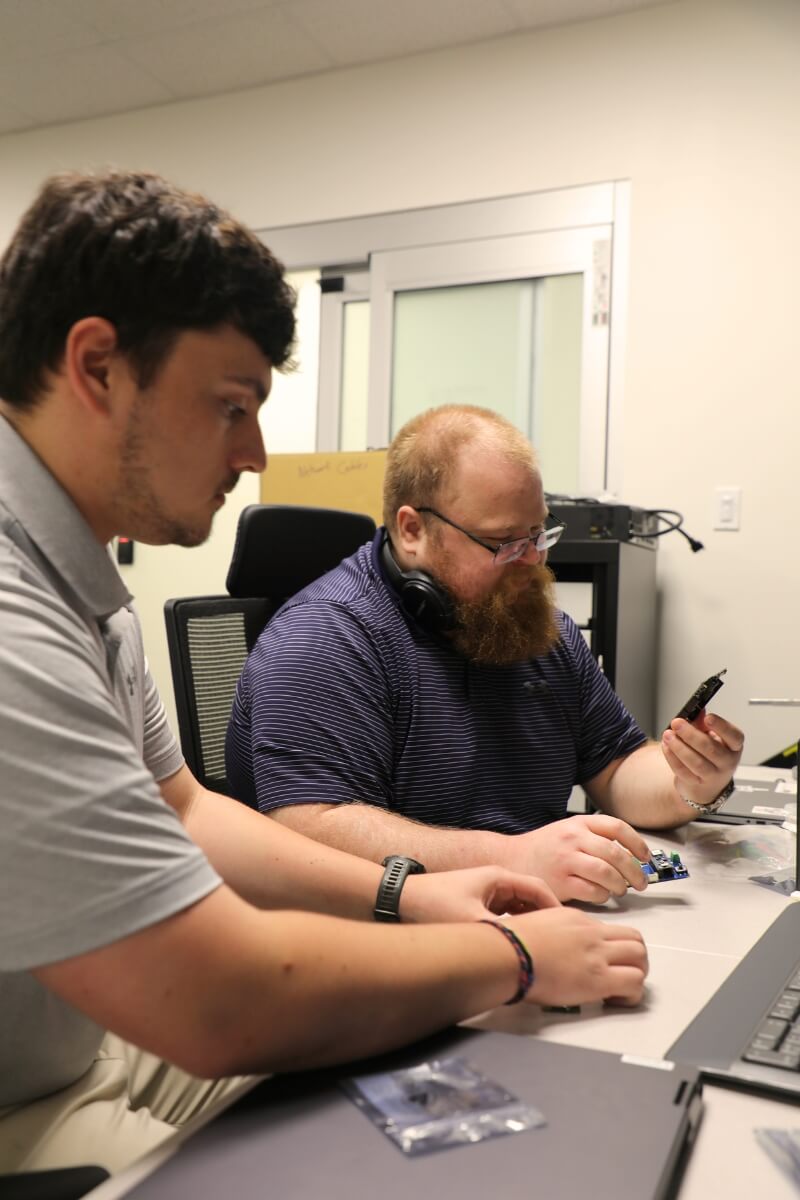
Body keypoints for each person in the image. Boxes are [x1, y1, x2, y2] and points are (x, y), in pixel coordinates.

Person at [0, 171, 649, 1177]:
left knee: (469, 1095)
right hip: (27, 1106)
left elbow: (187, 809)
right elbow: (217, 1002)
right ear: (96, 367)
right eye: (231, 406)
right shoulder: (11, 617)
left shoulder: (82, 586)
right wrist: (515, 956)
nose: (257, 453)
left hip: (96, 1042)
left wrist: (411, 895)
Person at [227, 404, 745, 904]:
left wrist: (693, 781)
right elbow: (310, 829)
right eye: (504, 542)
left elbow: (617, 767)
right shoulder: (327, 638)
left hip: (527, 914)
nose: (535, 561)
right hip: (380, 939)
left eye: (540, 534)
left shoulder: (537, 629)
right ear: (413, 530)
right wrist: (514, 858)